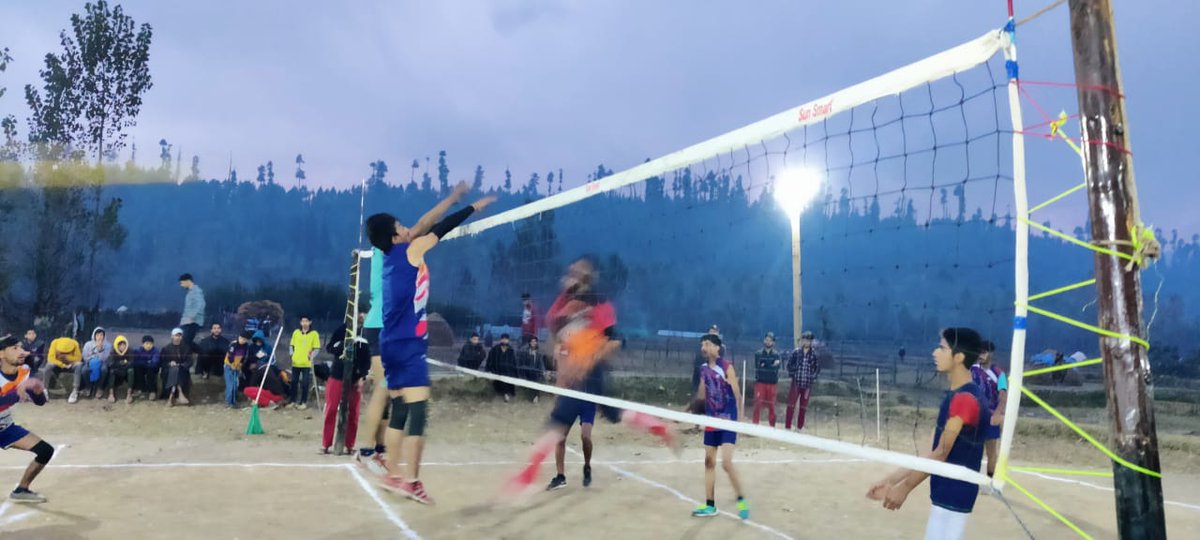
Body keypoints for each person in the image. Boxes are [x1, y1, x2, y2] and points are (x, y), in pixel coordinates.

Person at [366, 180, 496, 503]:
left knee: (399, 408)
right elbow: (439, 228)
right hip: (408, 344)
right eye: (401, 225)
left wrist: (451, 197)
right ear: (396, 235)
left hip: (391, 342)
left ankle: (394, 473)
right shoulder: (413, 249)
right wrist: (470, 208)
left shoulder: (390, 255)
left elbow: (424, 221)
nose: (408, 226)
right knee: (420, 409)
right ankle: (411, 480)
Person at [510, 256, 675, 494]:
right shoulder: (563, 303)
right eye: (571, 272)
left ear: (587, 278)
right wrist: (558, 349)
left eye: (578, 272)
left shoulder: (600, 304)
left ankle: (526, 478)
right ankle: (659, 428)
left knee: (558, 425)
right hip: (574, 376)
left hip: (589, 374)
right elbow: (552, 330)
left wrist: (589, 359)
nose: (570, 275)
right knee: (612, 413)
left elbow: (615, 341)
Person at [867, 328, 987, 540]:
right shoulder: (957, 395)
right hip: (945, 493)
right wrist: (890, 481)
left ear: (959, 357)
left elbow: (941, 452)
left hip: (955, 494)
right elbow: (928, 451)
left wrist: (904, 489)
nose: (935, 352)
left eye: (942, 348)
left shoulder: (965, 399)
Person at [690, 334, 749, 519]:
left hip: (728, 419)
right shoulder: (703, 369)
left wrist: (739, 420)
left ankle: (741, 500)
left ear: (717, 348)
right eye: (702, 344)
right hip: (711, 419)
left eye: (707, 344)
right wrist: (688, 411)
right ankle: (710, 505)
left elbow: (738, 395)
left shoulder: (726, 367)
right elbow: (701, 395)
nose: (703, 347)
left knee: (726, 463)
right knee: (709, 462)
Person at [0, 335, 55, 503]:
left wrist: (37, 388)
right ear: (1, 354)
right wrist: (14, 391)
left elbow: (40, 402)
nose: (21, 351)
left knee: (45, 451)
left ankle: (21, 489)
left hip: (5, 427)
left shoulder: (24, 372)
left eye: (21, 347)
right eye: (15, 348)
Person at [356, 247, 390, 477]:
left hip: (389, 327)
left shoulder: (393, 254)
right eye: (398, 228)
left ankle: (379, 449)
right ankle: (367, 451)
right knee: (383, 388)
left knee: (389, 391)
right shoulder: (385, 251)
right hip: (378, 326)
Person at [322, 316, 372, 455]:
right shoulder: (342, 329)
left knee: (354, 412)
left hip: (355, 379)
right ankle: (326, 443)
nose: (362, 317)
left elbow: (367, 359)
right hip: (337, 375)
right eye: (360, 313)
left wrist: (362, 376)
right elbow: (330, 347)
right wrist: (344, 345)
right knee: (331, 409)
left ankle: (350, 444)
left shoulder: (365, 334)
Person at [969, 340, 1007, 477]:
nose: (980, 355)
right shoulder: (971, 370)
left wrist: (998, 414)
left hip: (990, 417)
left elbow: (1003, 396)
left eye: (984, 352)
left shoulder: (999, 374)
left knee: (991, 451)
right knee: (972, 449)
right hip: (974, 416)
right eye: (979, 352)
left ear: (991, 354)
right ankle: (971, 478)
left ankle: (990, 480)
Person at [785, 331, 820, 431]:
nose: (806, 342)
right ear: (802, 341)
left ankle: (800, 427)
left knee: (803, 407)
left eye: (809, 340)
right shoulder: (796, 352)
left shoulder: (814, 355)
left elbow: (817, 369)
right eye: (805, 340)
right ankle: (788, 426)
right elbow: (789, 365)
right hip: (796, 383)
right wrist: (793, 374)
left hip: (807, 384)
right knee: (791, 404)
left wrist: (813, 377)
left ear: (811, 342)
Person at [289, 315, 321, 410]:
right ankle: (293, 401)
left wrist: (310, 357)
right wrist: (292, 355)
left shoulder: (314, 334)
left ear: (310, 322)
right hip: (296, 362)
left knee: (305, 383)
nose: (304, 323)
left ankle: (303, 402)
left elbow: (317, 348)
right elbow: (291, 345)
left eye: (306, 321)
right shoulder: (296, 332)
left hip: (306, 363)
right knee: (294, 382)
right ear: (300, 322)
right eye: (303, 321)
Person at [752, 332, 782, 427]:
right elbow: (759, 367)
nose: (768, 342)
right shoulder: (758, 354)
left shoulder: (776, 354)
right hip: (761, 382)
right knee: (757, 404)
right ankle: (754, 425)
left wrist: (766, 364)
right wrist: (772, 364)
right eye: (766, 340)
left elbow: (776, 369)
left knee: (772, 405)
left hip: (772, 382)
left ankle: (772, 426)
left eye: (770, 340)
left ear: (773, 342)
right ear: (764, 340)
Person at [160, 328, 193, 406]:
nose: (178, 337)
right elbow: (162, 362)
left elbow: (189, 361)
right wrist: (169, 363)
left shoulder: (186, 348)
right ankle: (180, 393)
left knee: (176, 370)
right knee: (174, 370)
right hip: (168, 371)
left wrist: (180, 365)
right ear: (172, 336)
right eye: (176, 335)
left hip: (182, 370)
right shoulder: (166, 348)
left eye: (179, 336)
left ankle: (171, 397)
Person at [80, 327, 111, 401]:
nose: (99, 337)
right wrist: (92, 359)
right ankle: (88, 387)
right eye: (97, 335)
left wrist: (100, 350)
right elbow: (84, 356)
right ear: (94, 335)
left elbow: (105, 358)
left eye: (101, 335)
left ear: (104, 336)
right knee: (84, 370)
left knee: (104, 369)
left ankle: (99, 388)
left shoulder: (108, 345)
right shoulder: (88, 344)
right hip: (90, 362)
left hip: (102, 363)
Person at [104, 335, 136, 404]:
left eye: (124, 345)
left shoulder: (130, 350)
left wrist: (121, 364)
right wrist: (122, 363)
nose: (122, 347)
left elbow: (132, 363)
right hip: (117, 373)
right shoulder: (113, 352)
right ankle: (111, 393)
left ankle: (129, 394)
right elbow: (110, 364)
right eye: (120, 345)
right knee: (111, 371)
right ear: (117, 346)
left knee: (131, 370)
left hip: (126, 372)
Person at [178, 273, 206, 353]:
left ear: (188, 281)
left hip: (192, 322)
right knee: (185, 342)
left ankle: (203, 354)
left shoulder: (196, 291)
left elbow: (200, 305)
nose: (181, 285)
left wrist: (192, 318)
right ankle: (201, 354)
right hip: (187, 322)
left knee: (186, 342)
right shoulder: (190, 292)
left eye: (182, 283)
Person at [691, 325, 723, 395]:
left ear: (718, 333)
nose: (713, 333)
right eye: (711, 331)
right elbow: (698, 358)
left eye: (715, 332)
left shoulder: (721, 347)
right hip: (700, 370)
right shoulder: (702, 344)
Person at [223, 331, 252, 408]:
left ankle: (233, 402)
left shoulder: (246, 346)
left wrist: (240, 364)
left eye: (245, 339)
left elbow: (244, 357)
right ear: (239, 337)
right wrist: (232, 364)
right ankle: (228, 402)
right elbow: (230, 356)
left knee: (235, 385)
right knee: (230, 385)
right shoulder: (233, 344)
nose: (243, 340)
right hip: (229, 366)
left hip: (237, 367)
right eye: (242, 338)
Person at [485, 334, 517, 402]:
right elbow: (489, 360)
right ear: (501, 340)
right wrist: (488, 370)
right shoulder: (494, 349)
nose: (504, 340)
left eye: (506, 339)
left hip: (508, 372)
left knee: (507, 379)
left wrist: (515, 374)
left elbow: (514, 363)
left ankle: (506, 394)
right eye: (503, 339)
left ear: (508, 340)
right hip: (496, 371)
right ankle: (504, 394)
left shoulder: (511, 350)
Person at [517, 336, 549, 403]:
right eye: (532, 342)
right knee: (532, 378)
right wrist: (530, 356)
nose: (534, 343)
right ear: (529, 343)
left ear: (537, 343)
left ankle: (536, 396)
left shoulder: (539, 353)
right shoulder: (525, 351)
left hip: (535, 372)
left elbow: (541, 363)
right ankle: (535, 396)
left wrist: (544, 372)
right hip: (526, 371)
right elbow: (522, 362)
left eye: (535, 342)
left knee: (536, 378)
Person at [133, 335, 161, 401]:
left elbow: (155, 362)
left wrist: (144, 362)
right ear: (142, 344)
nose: (148, 346)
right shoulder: (138, 351)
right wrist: (147, 362)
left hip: (152, 369)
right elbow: (135, 362)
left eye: (151, 344)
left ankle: (152, 391)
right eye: (147, 343)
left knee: (150, 371)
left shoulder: (155, 351)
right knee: (137, 369)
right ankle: (141, 389)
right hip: (143, 368)